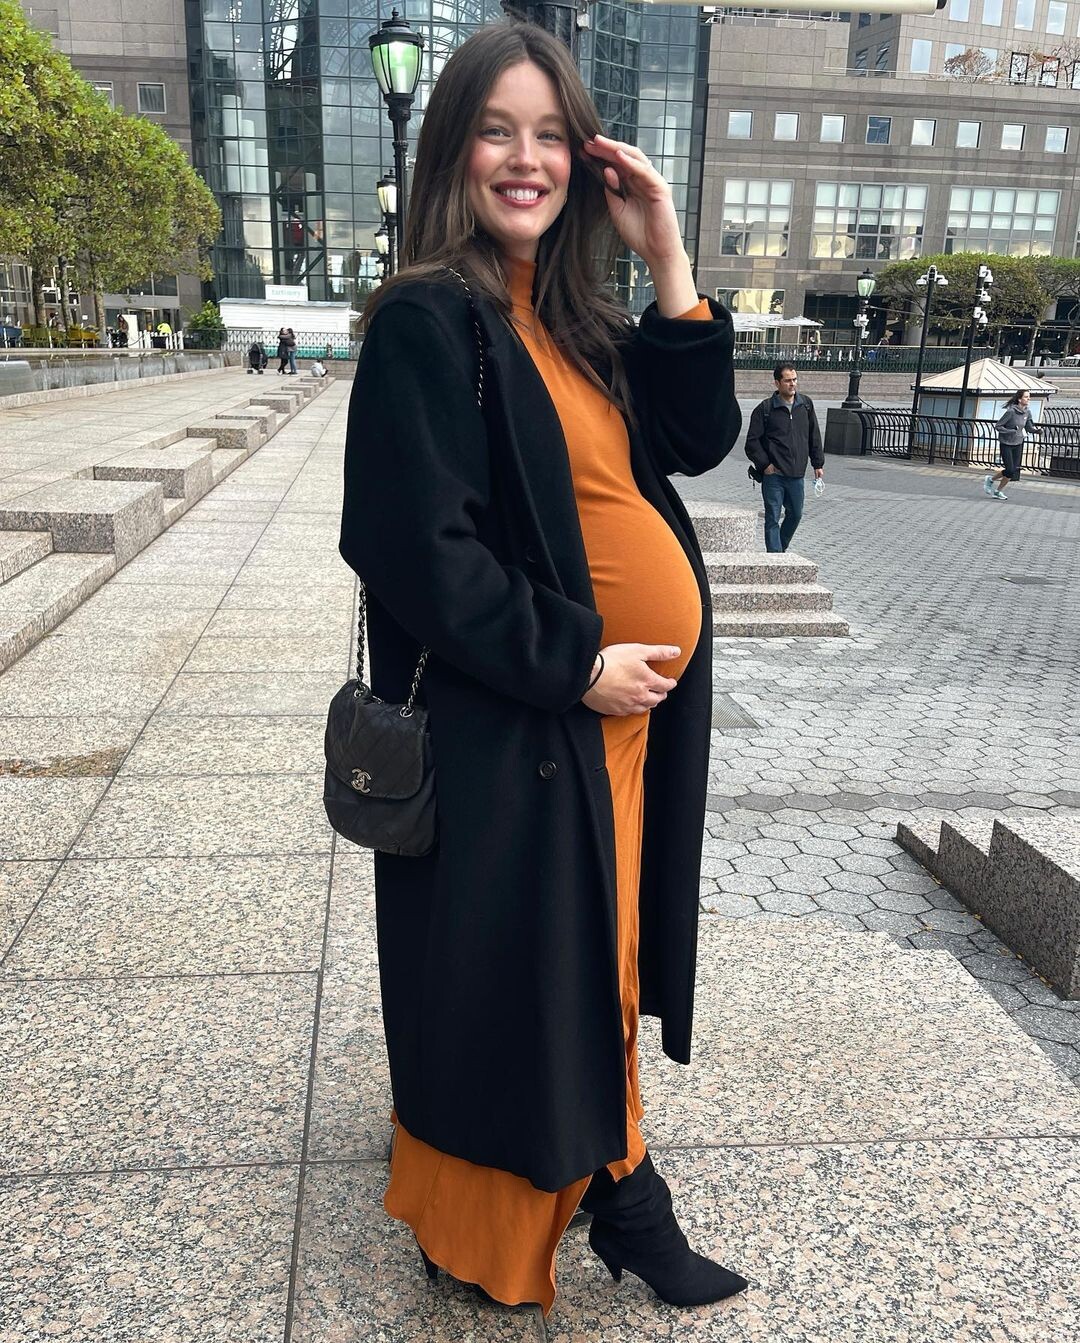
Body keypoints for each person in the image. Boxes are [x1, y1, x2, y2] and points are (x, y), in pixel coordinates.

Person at [339, 20, 745, 1318]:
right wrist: (574, 663)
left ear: (586, 158)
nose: (525, 158)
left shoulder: (575, 319)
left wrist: (666, 254)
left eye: (550, 135)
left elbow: (696, 438)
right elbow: (419, 552)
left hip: (609, 723)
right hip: (520, 724)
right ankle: (590, 1205)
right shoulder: (428, 320)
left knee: (585, 963)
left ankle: (613, 1186)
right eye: (496, 131)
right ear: (452, 152)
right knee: (533, 979)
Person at [744, 363, 824, 553]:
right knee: (772, 517)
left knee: (795, 514)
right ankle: (775, 556)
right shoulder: (765, 409)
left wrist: (817, 463)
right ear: (777, 383)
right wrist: (765, 465)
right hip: (774, 475)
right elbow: (752, 443)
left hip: (796, 475)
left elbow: (814, 435)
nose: (792, 384)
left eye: (794, 379)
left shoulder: (805, 405)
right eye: (787, 380)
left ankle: (779, 551)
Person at [987, 389, 1035, 500]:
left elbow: (1029, 427)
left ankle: (997, 490)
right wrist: (1011, 431)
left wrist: (1037, 431)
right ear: (1019, 399)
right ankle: (990, 480)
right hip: (1006, 443)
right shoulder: (1011, 412)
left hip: (1018, 443)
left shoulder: (1027, 412)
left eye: (1029, 397)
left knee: (1012, 471)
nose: (1028, 399)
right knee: (1009, 469)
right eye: (1026, 397)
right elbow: (998, 426)